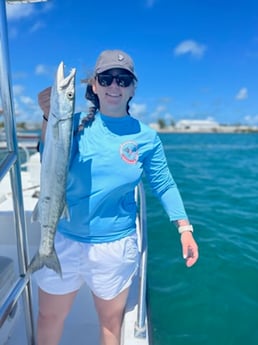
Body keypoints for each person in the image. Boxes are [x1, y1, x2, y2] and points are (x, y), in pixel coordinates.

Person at [36, 49, 199, 345]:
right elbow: (48, 158)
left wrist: (184, 229)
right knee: (48, 317)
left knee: (110, 323)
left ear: (133, 88)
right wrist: (50, 115)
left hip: (115, 247)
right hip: (63, 240)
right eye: (106, 78)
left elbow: (164, 184)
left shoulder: (146, 137)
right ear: (94, 86)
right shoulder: (71, 125)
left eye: (123, 80)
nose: (115, 85)